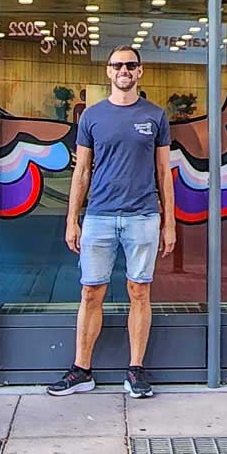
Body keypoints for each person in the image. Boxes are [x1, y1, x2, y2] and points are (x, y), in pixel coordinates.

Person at [46, 45, 175, 399]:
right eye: (117, 65)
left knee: (140, 291)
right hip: (99, 217)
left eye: (130, 65)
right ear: (108, 72)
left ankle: (135, 371)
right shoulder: (91, 117)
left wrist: (170, 223)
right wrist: (72, 219)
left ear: (140, 71)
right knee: (90, 292)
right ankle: (82, 370)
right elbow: (82, 171)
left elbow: (164, 173)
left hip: (144, 216)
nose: (124, 70)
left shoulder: (155, 116)